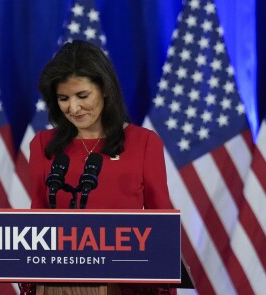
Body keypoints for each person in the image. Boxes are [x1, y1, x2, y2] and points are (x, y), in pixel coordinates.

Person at [20, 40, 176, 295]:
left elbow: (162, 226)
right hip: (59, 285)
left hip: (128, 286)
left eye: (82, 96)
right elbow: (38, 218)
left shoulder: (144, 143)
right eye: (63, 98)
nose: (73, 107)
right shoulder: (43, 145)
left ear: (104, 89)